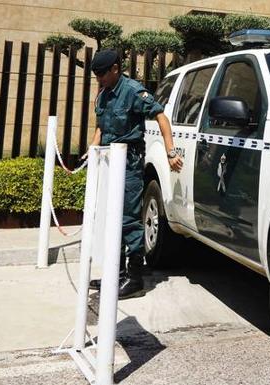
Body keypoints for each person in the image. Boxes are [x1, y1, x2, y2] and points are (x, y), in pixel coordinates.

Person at [86, 49, 183, 299]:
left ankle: (135, 277)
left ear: (115, 69)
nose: (99, 79)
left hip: (128, 161)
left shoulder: (132, 91)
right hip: (108, 161)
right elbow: (101, 126)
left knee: (128, 217)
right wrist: (92, 151)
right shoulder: (104, 94)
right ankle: (115, 274)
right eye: (96, 75)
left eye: (102, 74)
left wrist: (171, 153)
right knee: (110, 217)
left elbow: (161, 116)